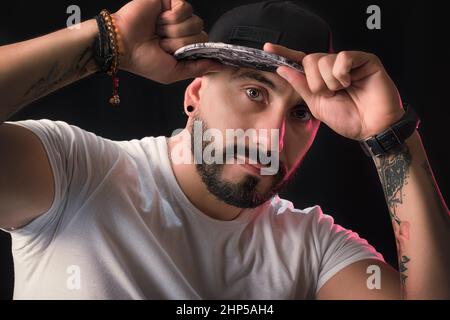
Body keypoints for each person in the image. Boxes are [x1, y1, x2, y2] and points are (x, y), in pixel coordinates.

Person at [0, 0, 448, 300]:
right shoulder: (76, 172)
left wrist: (392, 139)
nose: (271, 135)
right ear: (193, 95)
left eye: (300, 115)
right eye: (255, 93)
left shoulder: (312, 246)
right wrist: (106, 41)